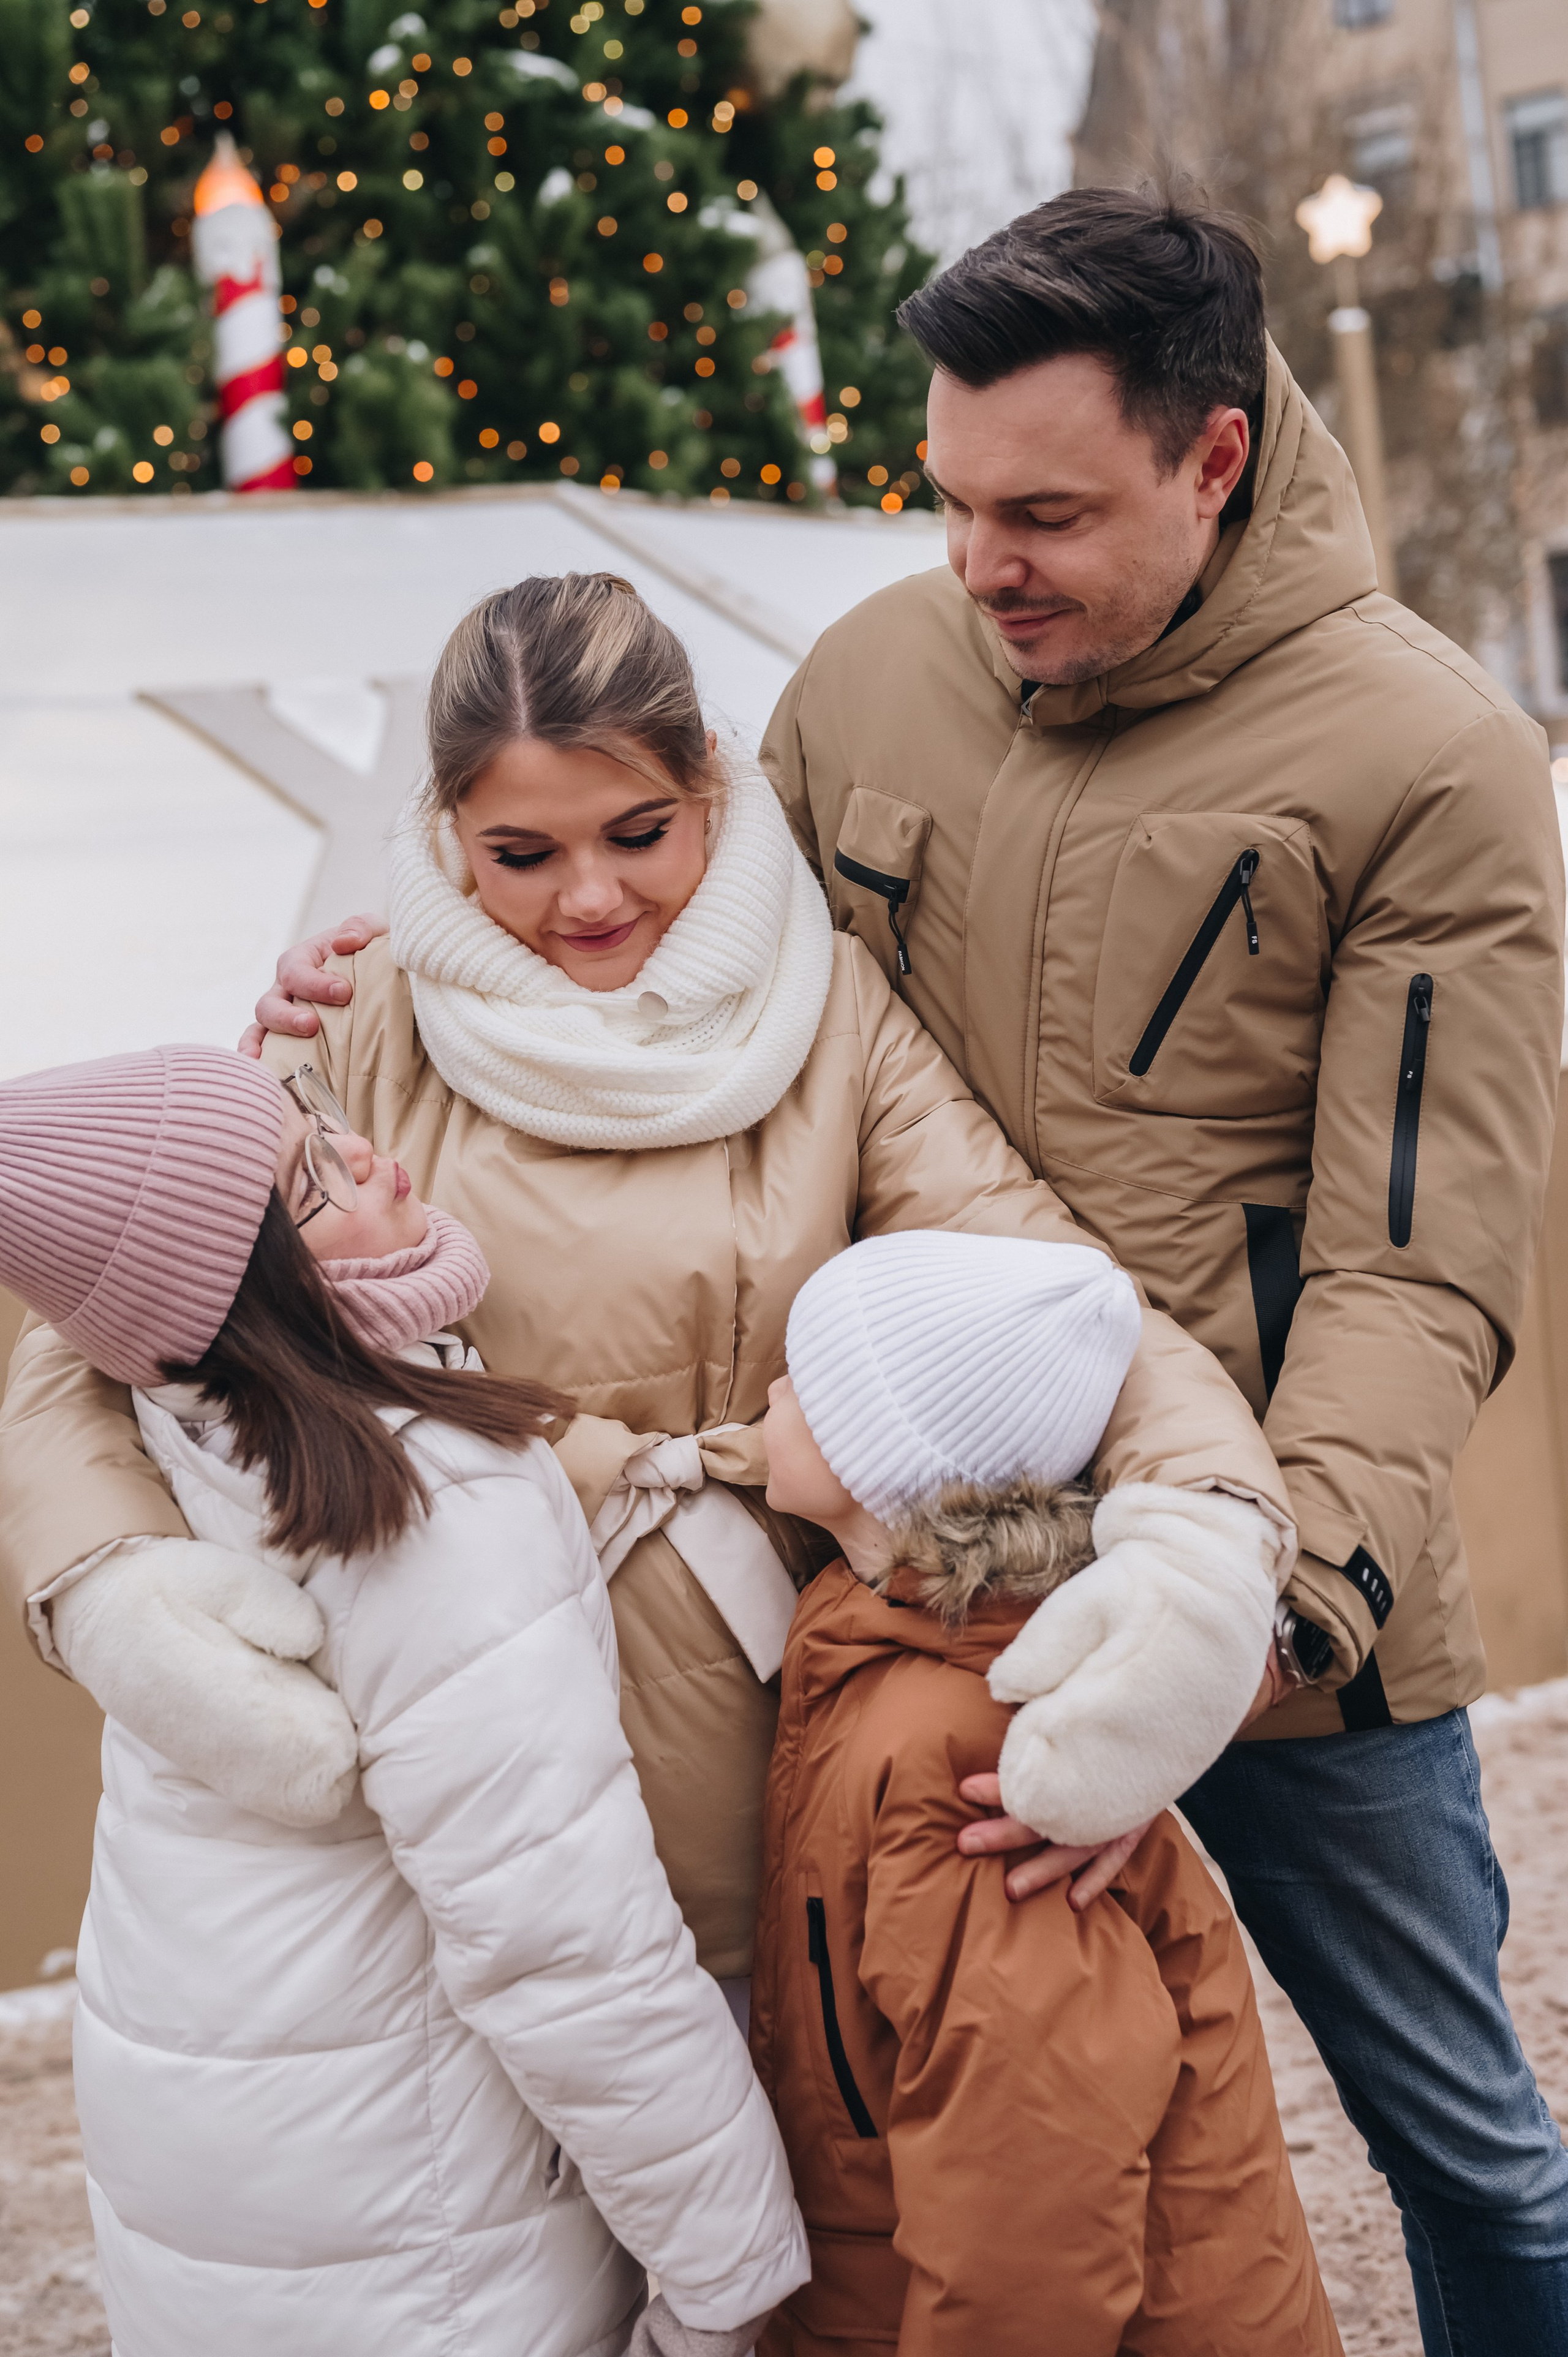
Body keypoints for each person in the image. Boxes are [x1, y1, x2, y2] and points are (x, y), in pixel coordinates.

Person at [0, 572, 1297, 1986]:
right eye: (520, 854)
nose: (590, 897)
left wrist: (1201, 1542)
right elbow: (101, 1312)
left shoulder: (829, 1012)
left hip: (785, 1719)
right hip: (465, 1745)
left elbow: (1052, 1288)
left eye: (638, 833)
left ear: (710, 789)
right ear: (447, 834)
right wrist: (112, 1582)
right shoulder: (359, 1017)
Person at [755, 192, 1567, 2352]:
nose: (978, 564)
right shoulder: (863, 684)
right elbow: (680, 1009)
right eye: (949, 501)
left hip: (1278, 1604)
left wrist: (1245, 1631)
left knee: (1470, 2154)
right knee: (880, 2136)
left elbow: (1417, 1268)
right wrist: (383, 992)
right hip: (915, 1575)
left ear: (1215, 457)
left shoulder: (1431, 760)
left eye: (1044, 514)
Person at [0, 1043, 808, 2357]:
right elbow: (563, 1942)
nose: (368, 1156)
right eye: (310, 1184)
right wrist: (729, 2269)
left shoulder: (182, 1427)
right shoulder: (428, 1508)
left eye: (318, 1125)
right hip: (416, 2221)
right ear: (247, 1287)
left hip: (228, 2164)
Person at [751, 1229, 1342, 2357]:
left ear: (887, 1464)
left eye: (805, 1378)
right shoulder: (889, 1645)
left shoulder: (972, 1756)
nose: (773, 1391)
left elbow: (1031, 2191)